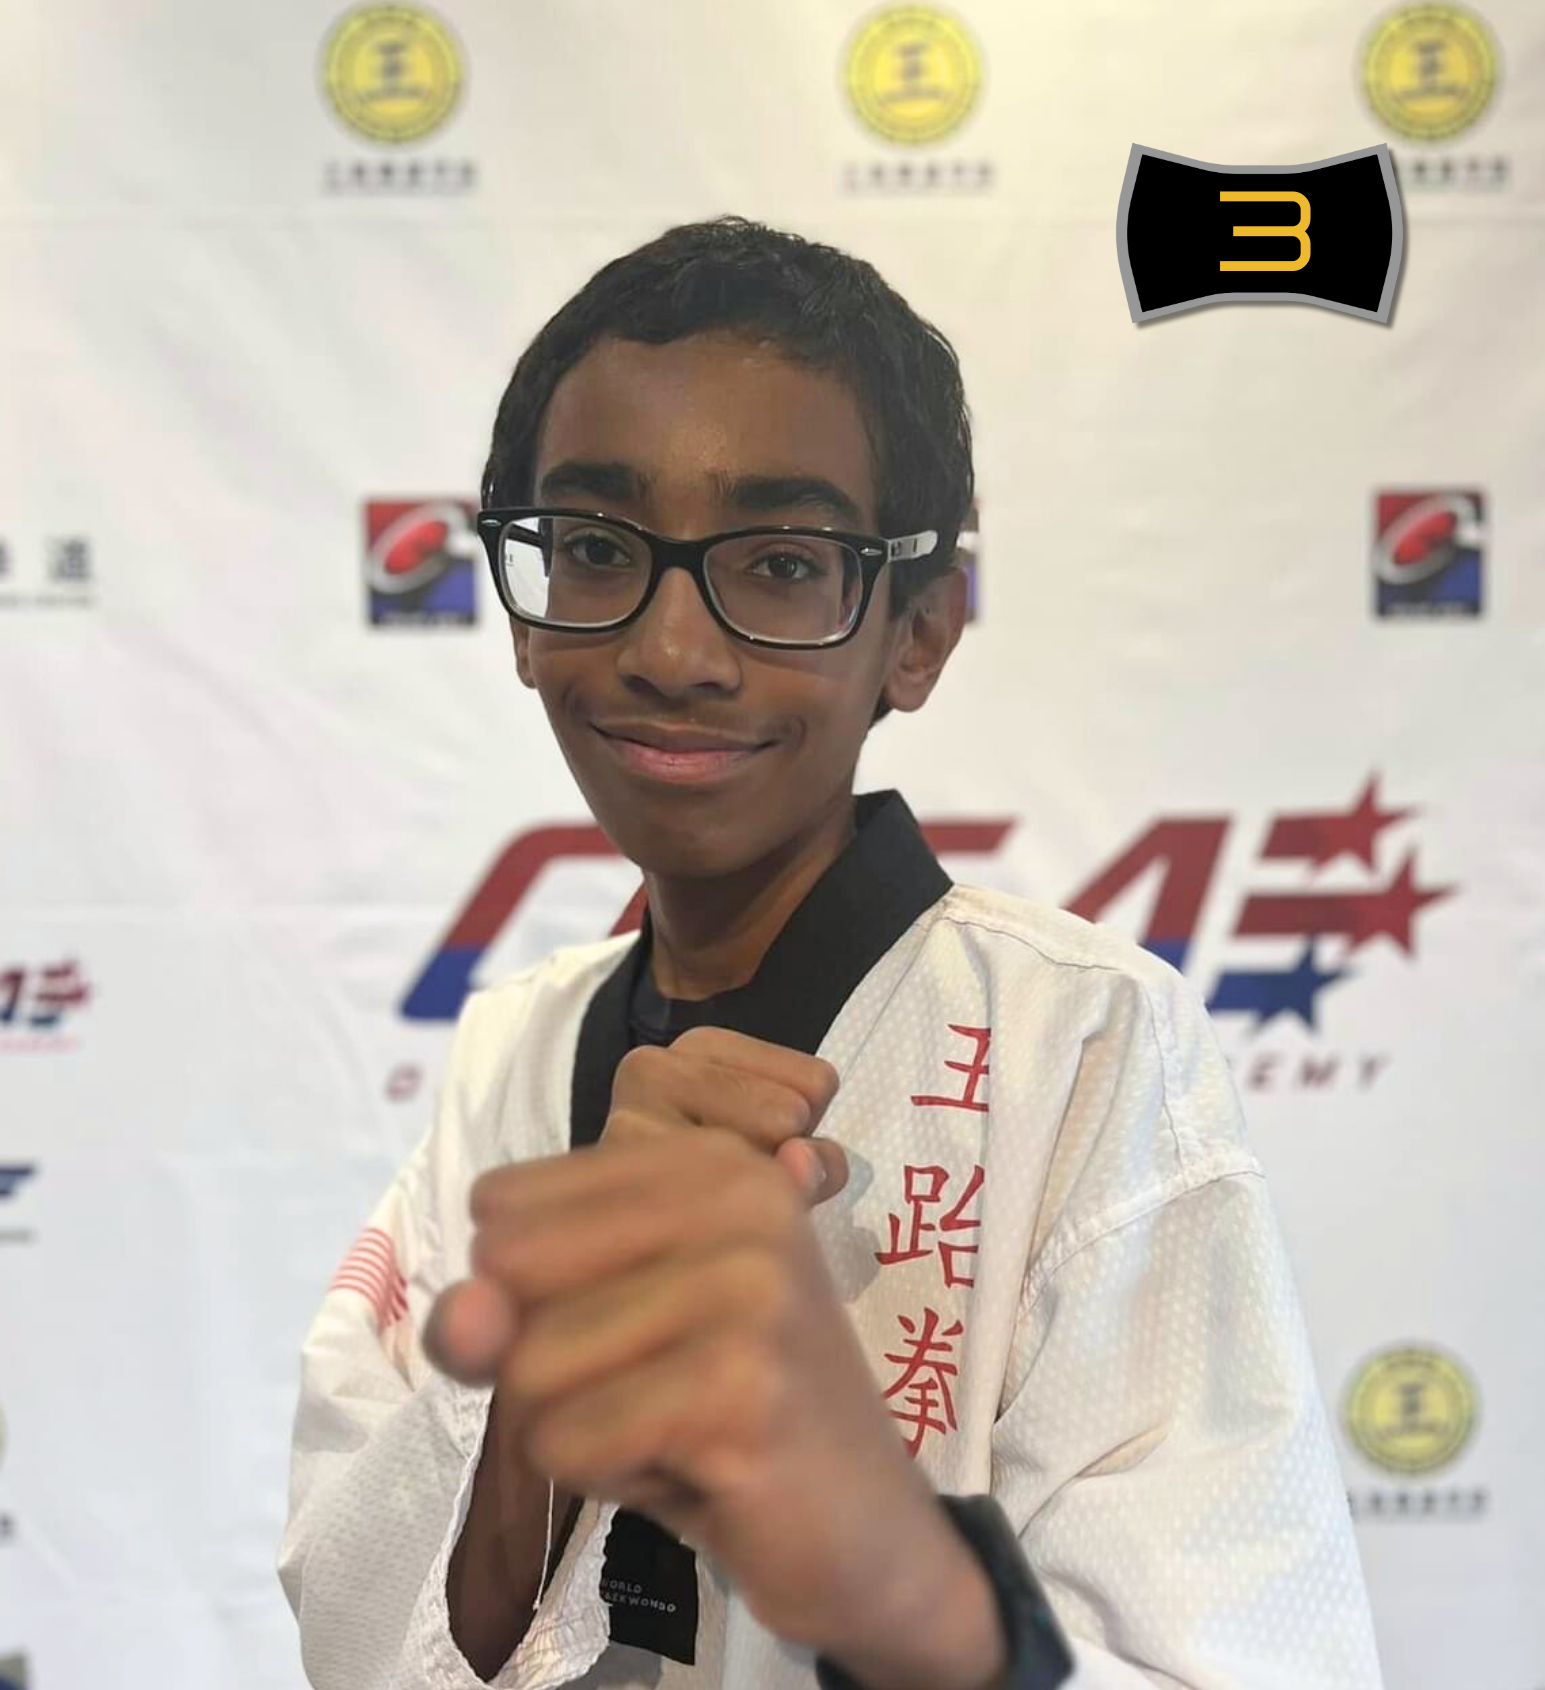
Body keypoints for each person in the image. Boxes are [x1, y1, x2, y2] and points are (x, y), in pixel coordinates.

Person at [277, 217, 1385, 1690]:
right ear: (522, 613)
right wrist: (523, 1423)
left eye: (784, 563)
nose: (674, 647)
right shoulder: (515, 1055)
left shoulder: (1085, 1048)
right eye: (598, 549)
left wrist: (907, 1586)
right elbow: (351, 1634)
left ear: (918, 631)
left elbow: (1243, 1660)